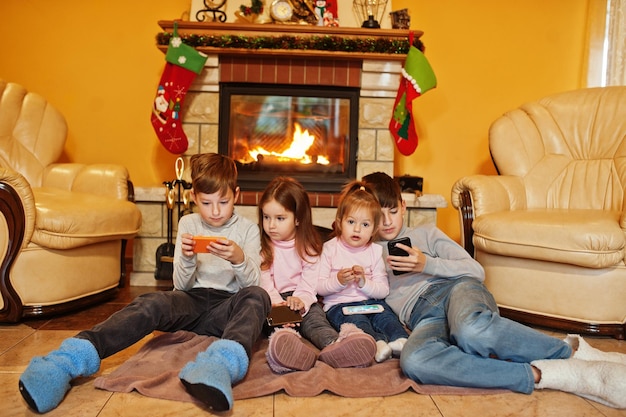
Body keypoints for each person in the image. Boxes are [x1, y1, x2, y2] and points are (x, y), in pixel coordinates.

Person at [19, 153, 271, 413]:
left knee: (258, 297)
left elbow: (251, 285)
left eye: (224, 202)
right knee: (151, 302)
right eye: (206, 203)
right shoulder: (189, 222)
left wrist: (239, 258)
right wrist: (185, 258)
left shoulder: (248, 229)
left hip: (227, 306)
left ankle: (219, 366)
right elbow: (181, 286)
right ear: (194, 198)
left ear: (236, 195)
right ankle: (66, 361)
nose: (215, 211)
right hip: (192, 299)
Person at [362, 171, 626, 409]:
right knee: (414, 361)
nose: (387, 221)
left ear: (403, 206)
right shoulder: (366, 254)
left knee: (471, 331)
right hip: (424, 317)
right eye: (378, 214)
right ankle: (542, 374)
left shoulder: (427, 234)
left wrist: (426, 263)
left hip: (457, 291)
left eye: (393, 211)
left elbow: (476, 270)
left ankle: (573, 352)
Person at [259, 176, 376, 373]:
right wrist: (279, 305)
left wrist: (300, 300)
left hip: (303, 297)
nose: (271, 225)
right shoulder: (262, 246)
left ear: (297, 218)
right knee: (278, 326)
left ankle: (336, 346)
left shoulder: (309, 248)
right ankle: (289, 350)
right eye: (266, 217)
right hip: (273, 300)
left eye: (280, 218)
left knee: (316, 321)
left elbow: (309, 283)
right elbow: (264, 282)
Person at [317, 181, 410, 363]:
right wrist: (338, 281)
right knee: (358, 323)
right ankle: (377, 345)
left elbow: (383, 290)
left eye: (365, 225)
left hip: (372, 301)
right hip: (340, 306)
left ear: (374, 229)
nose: (357, 229)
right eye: (351, 222)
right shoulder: (329, 249)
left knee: (386, 317)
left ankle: (401, 341)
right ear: (339, 222)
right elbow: (319, 288)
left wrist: (364, 283)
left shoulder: (374, 251)